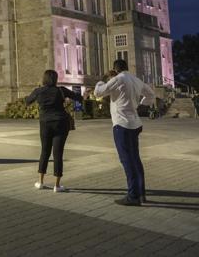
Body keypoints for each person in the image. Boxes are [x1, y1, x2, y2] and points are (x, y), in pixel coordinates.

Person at [94, 59, 155, 206]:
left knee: (127, 160)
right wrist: (141, 105)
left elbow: (98, 92)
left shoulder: (118, 79)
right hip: (135, 123)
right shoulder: (135, 79)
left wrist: (103, 78)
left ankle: (133, 196)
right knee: (135, 159)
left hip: (122, 125)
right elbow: (151, 94)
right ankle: (141, 194)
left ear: (115, 69)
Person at [26, 69, 83, 193]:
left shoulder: (38, 91)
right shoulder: (61, 90)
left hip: (45, 124)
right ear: (56, 79)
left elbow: (27, 101)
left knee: (45, 151)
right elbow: (78, 97)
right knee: (58, 153)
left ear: (44, 79)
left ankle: (40, 182)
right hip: (61, 123)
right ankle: (57, 185)